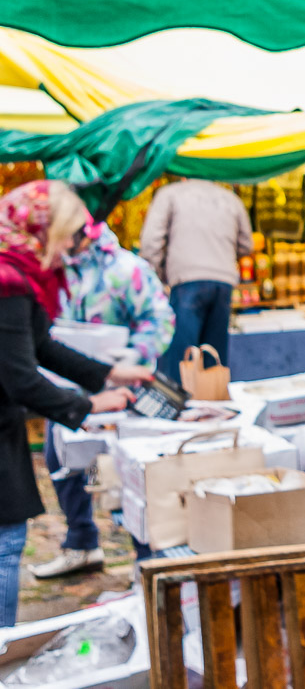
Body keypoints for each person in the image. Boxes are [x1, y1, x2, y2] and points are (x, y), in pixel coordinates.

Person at [0, 181, 151, 626]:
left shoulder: (14, 270)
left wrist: (107, 374)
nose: (70, 246)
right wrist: (87, 406)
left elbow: (40, 345)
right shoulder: (8, 280)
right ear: (41, 230)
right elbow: (19, 376)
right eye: (67, 233)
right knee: (6, 544)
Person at [30, 221, 174, 579]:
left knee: (126, 477)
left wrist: (127, 358)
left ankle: (147, 562)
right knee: (61, 464)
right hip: (65, 392)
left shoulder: (127, 269)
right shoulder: (50, 268)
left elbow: (159, 320)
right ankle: (82, 543)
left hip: (121, 394)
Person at [139, 179, 252, 382]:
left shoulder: (170, 193)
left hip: (186, 280)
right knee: (213, 357)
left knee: (182, 358)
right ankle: (213, 406)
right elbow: (246, 245)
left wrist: (157, 276)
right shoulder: (230, 199)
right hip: (222, 281)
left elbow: (150, 243)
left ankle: (180, 406)